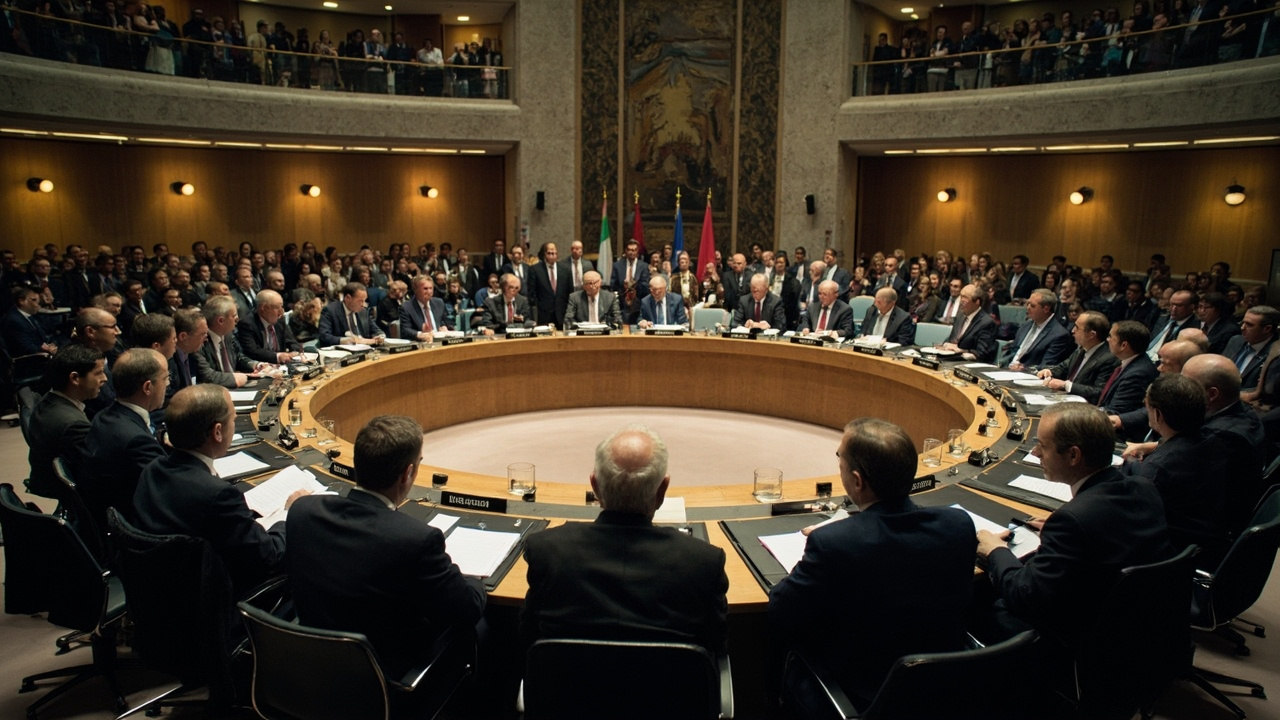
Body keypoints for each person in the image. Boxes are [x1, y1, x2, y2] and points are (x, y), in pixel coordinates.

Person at [770, 418, 975, 711]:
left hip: (864, 696)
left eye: (839, 456)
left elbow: (780, 610)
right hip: (947, 689)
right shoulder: (959, 525)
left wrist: (822, 548)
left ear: (857, 481)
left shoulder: (833, 543)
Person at [287, 415, 486, 680]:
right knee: (486, 627)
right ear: (408, 473)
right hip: (383, 680)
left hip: (307, 669)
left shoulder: (302, 511)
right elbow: (466, 609)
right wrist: (475, 581)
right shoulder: (416, 540)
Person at [975, 403, 1172, 664]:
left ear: (1073, 456)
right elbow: (1103, 538)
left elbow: (1023, 596)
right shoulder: (1142, 487)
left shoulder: (1073, 520)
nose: (1035, 453)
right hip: (1138, 629)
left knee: (972, 603)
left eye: (1042, 446)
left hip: (1079, 643)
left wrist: (994, 550)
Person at [522, 424, 728, 652]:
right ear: (662, 490)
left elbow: (527, 640)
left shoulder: (547, 552)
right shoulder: (703, 563)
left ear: (595, 486)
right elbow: (716, 645)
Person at [132, 384, 308, 596]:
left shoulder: (152, 470)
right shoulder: (217, 495)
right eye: (232, 420)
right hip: (218, 605)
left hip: (162, 594)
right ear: (217, 432)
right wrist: (290, 513)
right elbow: (268, 557)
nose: (233, 425)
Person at [1120, 374, 1228, 562]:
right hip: (1203, 539)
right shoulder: (1214, 440)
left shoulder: (1158, 469)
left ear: (1158, 414)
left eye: (1147, 404)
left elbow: (1125, 521)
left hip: (1162, 555)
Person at [79, 348, 168, 525]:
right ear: (148, 387)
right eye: (165, 378)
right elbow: (169, 490)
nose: (168, 384)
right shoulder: (136, 441)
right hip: (137, 526)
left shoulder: (105, 415)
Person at [26, 344, 107, 498]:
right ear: (75, 378)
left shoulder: (48, 401)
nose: (105, 379)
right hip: (71, 494)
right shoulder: (73, 424)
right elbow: (96, 473)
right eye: (99, 373)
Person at [1097, 320, 1158, 415]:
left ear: (1123, 345)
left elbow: (1116, 411)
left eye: (1110, 336)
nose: (1107, 339)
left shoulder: (1137, 374)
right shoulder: (1131, 361)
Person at [1006, 290, 1072, 371]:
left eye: (1032, 306)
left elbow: (1047, 366)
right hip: (1007, 370)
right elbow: (1013, 352)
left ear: (1046, 309)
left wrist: (1024, 369)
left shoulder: (1059, 334)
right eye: (1028, 304)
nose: (1028, 308)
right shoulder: (1025, 326)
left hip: (1027, 377)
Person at [236, 289, 302, 365]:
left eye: (282, 307)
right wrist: (278, 356)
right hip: (261, 368)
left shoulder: (280, 320)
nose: (282, 312)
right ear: (263, 308)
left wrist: (295, 352)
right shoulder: (247, 324)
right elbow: (252, 351)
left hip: (281, 367)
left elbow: (292, 342)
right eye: (277, 307)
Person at [1223, 306, 1278, 392]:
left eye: (1249, 325)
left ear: (1267, 329)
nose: (1242, 328)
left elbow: (1268, 390)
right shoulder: (1236, 340)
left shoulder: (1276, 354)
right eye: (1243, 322)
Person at [940, 283, 996, 361]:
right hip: (949, 359)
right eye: (961, 296)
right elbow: (951, 340)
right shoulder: (959, 316)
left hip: (968, 364)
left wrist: (961, 350)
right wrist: (944, 345)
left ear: (977, 302)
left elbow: (982, 353)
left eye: (965, 297)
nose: (961, 301)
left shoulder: (987, 323)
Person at [318, 282, 385, 346]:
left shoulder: (363, 311)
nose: (363, 305)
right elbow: (324, 336)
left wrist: (380, 336)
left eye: (364, 300)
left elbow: (376, 330)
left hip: (365, 349)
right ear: (348, 298)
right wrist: (343, 341)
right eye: (360, 301)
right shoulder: (331, 310)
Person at [400, 274, 450, 341]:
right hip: (421, 344)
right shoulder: (407, 308)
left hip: (440, 341)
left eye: (431, 288)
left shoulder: (439, 303)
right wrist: (420, 334)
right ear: (416, 290)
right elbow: (405, 330)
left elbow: (446, 320)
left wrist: (444, 327)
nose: (429, 292)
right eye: (425, 289)